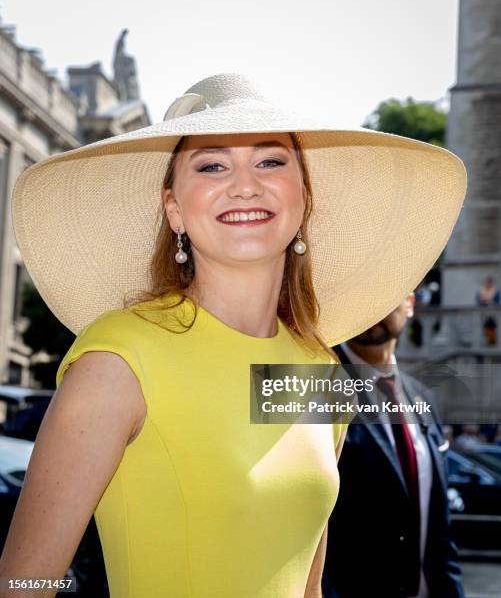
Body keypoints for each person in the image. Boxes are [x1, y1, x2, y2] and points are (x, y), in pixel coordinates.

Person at [0, 73, 467, 597]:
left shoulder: (318, 370)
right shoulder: (117, 361)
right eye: (212, 165)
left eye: (270, 161)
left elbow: (310, 585)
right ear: (174, 208)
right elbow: (23, 583)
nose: (245, 184)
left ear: (304, 198)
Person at [322, 293, 464, 598]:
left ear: (410, 304)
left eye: (385, 295)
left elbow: (439, 529)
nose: (371, 307)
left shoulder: (423, 398)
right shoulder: (311, 388)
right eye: (362, 294)